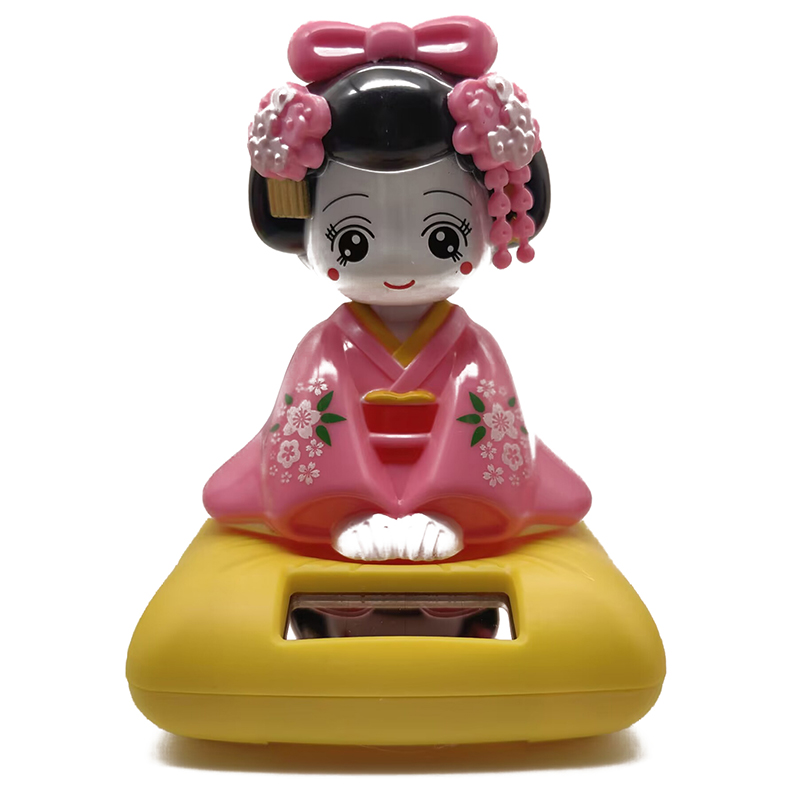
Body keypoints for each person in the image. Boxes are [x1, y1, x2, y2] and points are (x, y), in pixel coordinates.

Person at [203, 17, 591, 561]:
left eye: (442, 235)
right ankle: (348, 508)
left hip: (452, 503)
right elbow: (307, 434)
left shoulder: (473, 353)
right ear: (299, 223)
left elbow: (488, 432)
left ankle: (447, 507)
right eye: (353, 240)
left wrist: (446, 509)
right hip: (345, 504)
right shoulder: (324, 352)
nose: (397, 262)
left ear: (493, 216)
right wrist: (349, 509)